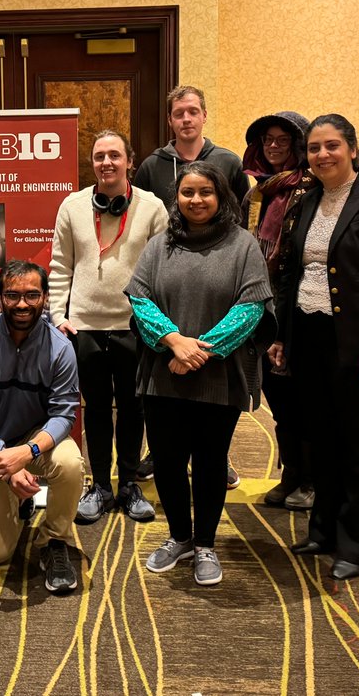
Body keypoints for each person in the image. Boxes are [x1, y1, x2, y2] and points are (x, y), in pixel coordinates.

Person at [270, 114, 359, 582]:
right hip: (310, 334)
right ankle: (324, 529)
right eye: (313, 148)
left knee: (358, 442)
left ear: (352, 147)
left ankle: (357, 544)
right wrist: (282, 337)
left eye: (332, 145)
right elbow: (292, 274)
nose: (322, 155)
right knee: (319, 438)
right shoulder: (307, 201)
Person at [126, 162, 274, 587]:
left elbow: (251, 307)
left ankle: (206, 542)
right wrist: (174, 341)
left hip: (217, 374)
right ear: (177, 198)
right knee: (169, 463)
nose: (195, 200)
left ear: (221, 196)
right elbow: (140, 299)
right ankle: (179, 538)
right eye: (187, 192)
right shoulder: (160, 245)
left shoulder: (243, 245)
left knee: (210, 463)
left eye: (205, 192)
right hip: (164, 372)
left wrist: (198, 351)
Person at [48, 130, 168, 524]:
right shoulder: (73, 205)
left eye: (114, 155)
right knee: (96, 408)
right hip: (84, 326)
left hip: (134, 326)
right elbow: (60, 265)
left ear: (129, 161)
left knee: (134, 408)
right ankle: (100, 484)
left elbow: (163, 269)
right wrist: (58, 316)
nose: (106, 163)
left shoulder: (151, 207)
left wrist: (156, 321)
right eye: (99, 156)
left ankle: (129, 483)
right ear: (93, 163)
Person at [133, 85, 249, 487]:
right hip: (168, 274)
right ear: (170, 120)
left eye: (193, 111)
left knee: (214, 389)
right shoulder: (151, 166)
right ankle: (162, 451)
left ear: (204, 116)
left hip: (219, 279)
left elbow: (239, 221)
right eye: (178, 113)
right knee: (163, 388)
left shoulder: (228, 162)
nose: (186, 119)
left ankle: (217, 454)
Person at [0, 260, 84, 594]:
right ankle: (18, 499)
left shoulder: (61, 348)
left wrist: (27, 453)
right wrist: (6, 462)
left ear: (44, 298)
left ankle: (55, 540)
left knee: (70, 464)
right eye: (12, 295)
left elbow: (63, 415)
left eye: (31, 295)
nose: (22, 304)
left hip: (34, 439)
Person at [240, 111, 317, 513]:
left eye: (282, 141)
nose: (272, 147)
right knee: (279, 398)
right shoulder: (259, 192)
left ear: (298, 144)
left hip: (298, 306)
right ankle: (290, 474)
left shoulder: (311, 189)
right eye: (267, 140)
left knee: (303, 399)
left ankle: (310, 478)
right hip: (261, 306)